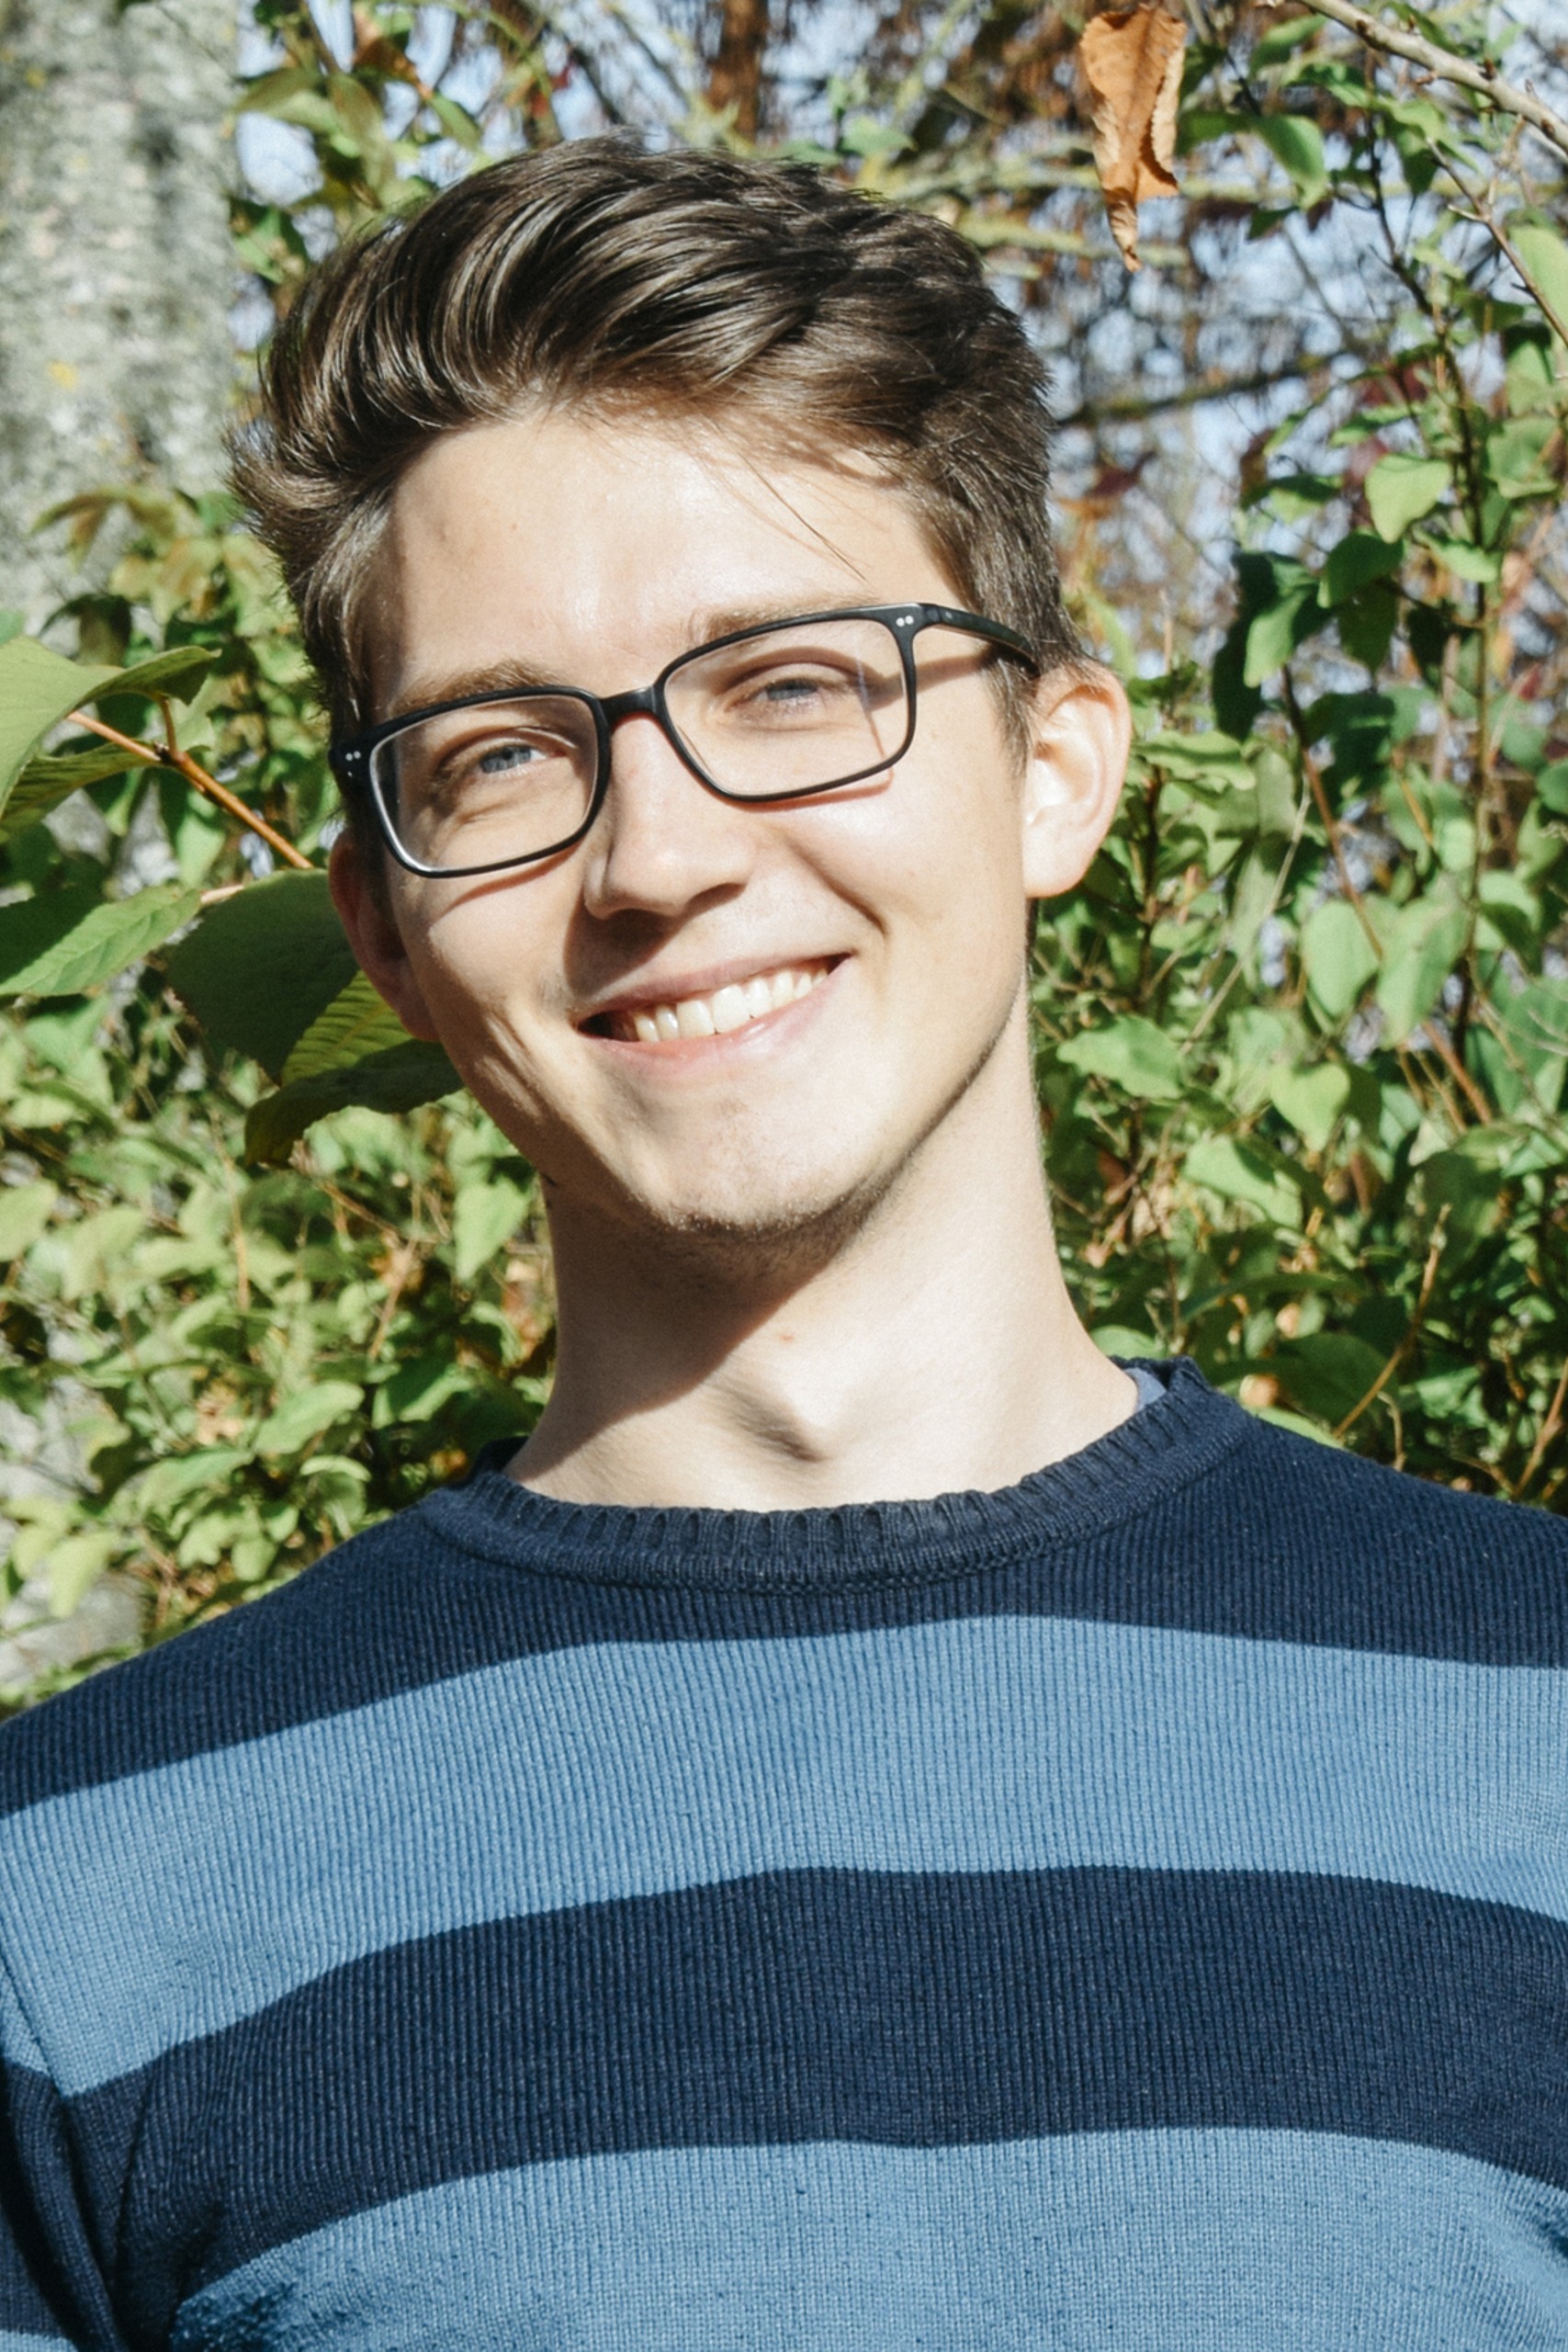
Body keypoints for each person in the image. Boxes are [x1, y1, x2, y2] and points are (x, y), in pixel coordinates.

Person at [2, 136, 1566, 2352]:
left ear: (1054, 768)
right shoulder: (76, 1906)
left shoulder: (1536, 1734)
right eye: (496, 753)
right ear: (382, 922)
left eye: (793, 684)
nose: (657, 855)